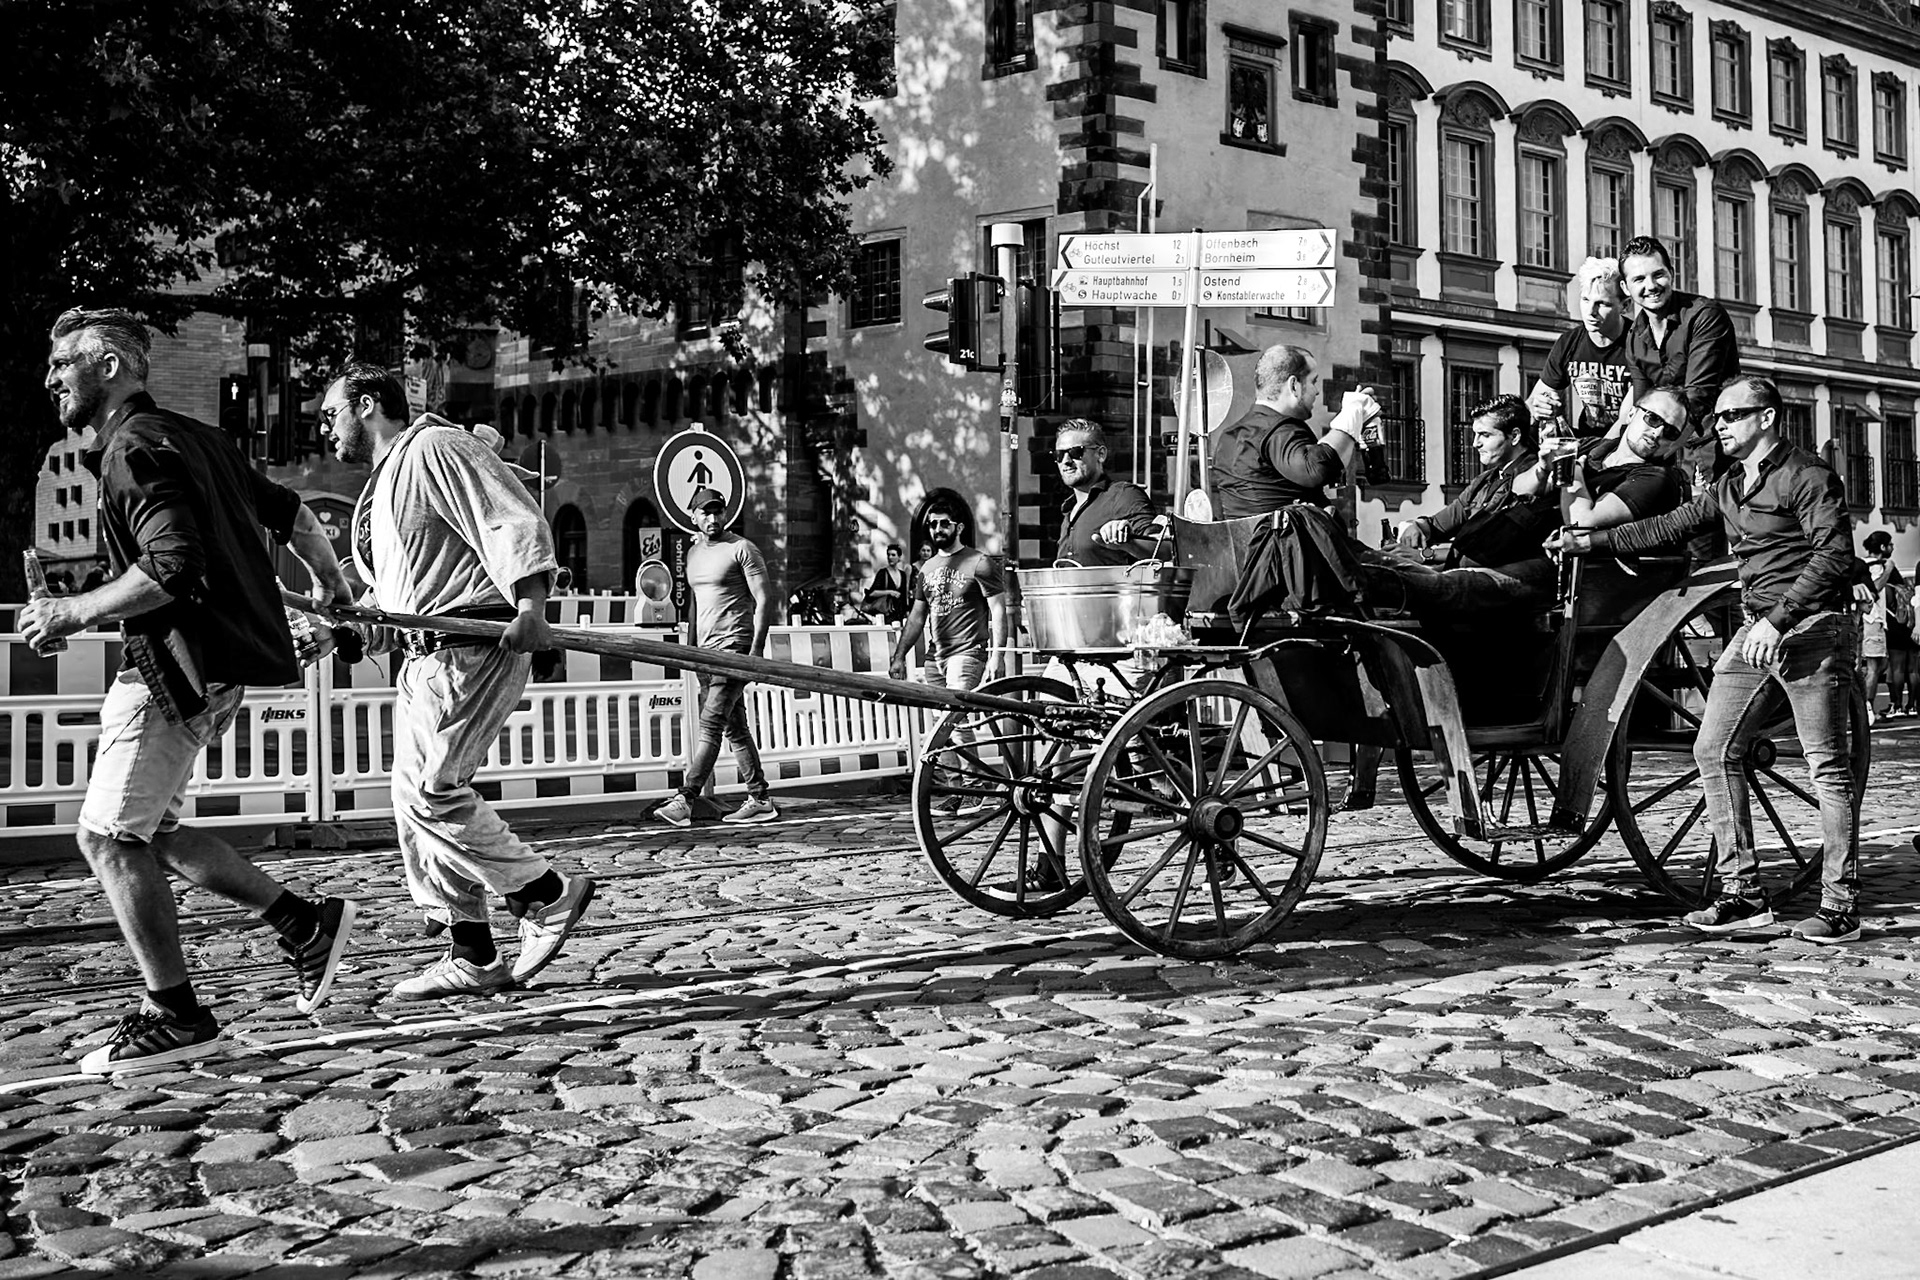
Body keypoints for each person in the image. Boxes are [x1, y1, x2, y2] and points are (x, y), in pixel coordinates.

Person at [25, 307, 358, 1075]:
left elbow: (173, 566)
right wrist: (334, 589)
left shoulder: (132, 448)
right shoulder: (198, 438)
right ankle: (302, 923)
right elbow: (296, 512)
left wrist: (72, 610)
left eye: (63, 365)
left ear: (109, 367)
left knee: (108, 838)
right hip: (212, 670)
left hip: (172, 669)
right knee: (152, 834)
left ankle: (174, 1014)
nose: (49, 381)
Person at [1551, 375, 1867, 944]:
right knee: (1712, 748)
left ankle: (1841, 907)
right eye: (1716, 417)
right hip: (1757, 632)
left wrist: (1779, 620)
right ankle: (1744, 894)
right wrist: (1589, 542)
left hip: (1812, 630)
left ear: (1766, 418)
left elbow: (1835, 558)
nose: (1717, 426)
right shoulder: (1728, 485)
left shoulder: (1808, 477)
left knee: (1827, 767)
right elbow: (1669, 526)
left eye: (1730, 416)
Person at [316, 363, 596, 998]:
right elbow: (397, 597)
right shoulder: (388, 483)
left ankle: (544, 895)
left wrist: (531, 607)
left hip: (471, 642)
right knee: (413, 808)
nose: (323, 431)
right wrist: (345, 632)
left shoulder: (436, 448)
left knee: (433, 794)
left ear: (366, 405)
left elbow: (508, 520)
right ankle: (471, 950)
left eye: (329, 414)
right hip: (424, 654)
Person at [655, 487, 779, 827]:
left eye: (718, 511)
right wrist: (692, 652)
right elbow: (695, 603)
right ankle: (760, 798)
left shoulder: (742, 549)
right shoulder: (694, 554)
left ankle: (686, 797)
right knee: (734, 728)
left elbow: (765, 599)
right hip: (706, 653)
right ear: (692, 516)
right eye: (705, 513)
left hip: (734, 647)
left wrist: (755, 651)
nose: (713, 518)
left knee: (711, 724)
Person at [1373, 395, 1557, 615]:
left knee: (1392, 584)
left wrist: (1425, 556)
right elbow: (1438, 524)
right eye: (1475, 434)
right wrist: (1413, 526)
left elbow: (1488, 550)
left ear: (1515, 436)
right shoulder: (1485, 481)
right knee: (1378, 565)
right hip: (1464, 577)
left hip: (1498, 587)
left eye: (1485, 435)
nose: (1475, 443)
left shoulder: (1537, 477)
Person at [1619, 236, 1741, 487]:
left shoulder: (1704, 315)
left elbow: (1698, 398)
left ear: (1672, 274)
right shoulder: (1633, 337)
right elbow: (1642, 408)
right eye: (1639, 279)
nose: (1651, 286)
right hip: (1666, 450)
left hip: (1715, 445)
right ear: (1625, 288)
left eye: (1658, 275)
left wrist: (1653, 451)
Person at [1210, 344, 1373, 518]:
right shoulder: (1279, 430)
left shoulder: (1229, 436)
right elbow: (1314, 468)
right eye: (1313, 381)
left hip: (1248, 542)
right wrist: (1352, 411)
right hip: (1287, 543)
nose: (1317, 391)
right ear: (1294, 385)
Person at [1524, 386, 1691, 530]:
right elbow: (1520, 490)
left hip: (1568, 560)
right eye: (1653, 418)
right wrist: (1543, 469)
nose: (1658, 433)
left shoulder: (1657, 478)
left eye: (1670, 432)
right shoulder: (1592, 446)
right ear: (1631, 414)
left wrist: (1571, 468)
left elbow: (1580, 524)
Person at [1526, 257, 1633, 441]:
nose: (1590, 311)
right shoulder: (1570, 342)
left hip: (1630, 445)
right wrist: (1539, 407)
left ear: (1625, 305)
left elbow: (1627, 421)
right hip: (1586, 439)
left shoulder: (1638, 344)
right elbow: (1532, 403)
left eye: (1602, 304)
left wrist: (1592, 459)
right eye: (1585, 299)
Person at [1051, 418, 1162, 564]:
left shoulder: (1122, 495)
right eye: (1059, 455)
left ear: (1101, 454)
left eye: (1075, 452)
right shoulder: (1069, 510)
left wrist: (1129, 543)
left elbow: (1164, 550)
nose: (1065, 460)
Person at [1858, 531, 1911, 723]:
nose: (1892, 548)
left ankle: (1863, 705)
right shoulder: (1875, 567)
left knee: (1878, 665)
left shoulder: (1864, 564)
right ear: (1882, 547)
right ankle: (1866, 708)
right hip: (1872, 621)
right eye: (1890, 545)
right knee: (1874, 666)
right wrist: (1888, 569)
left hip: (1873, 621)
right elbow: (1874, 589)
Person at [862, 544, 913, 623]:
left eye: (893, 555)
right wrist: (890, 592)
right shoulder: (883, 573)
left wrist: (906, 611)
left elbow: (904, 595)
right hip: (886, 613)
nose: (890, 557)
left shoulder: (902, 574)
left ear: (899, 557)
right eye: (888, 555)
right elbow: (872, 593)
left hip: (899, 614)